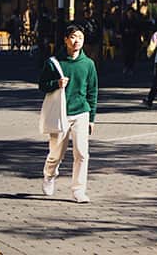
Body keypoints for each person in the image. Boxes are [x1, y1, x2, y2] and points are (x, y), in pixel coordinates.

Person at [38, 24, 99, 203]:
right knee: (56, 153)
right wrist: (56, 83)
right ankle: (49, 175)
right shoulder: (54, 62)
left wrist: (92, 118)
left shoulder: (88, 64)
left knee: (82, 153)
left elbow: (93, 92)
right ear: (65, 40)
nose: (76, 41)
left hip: (81, 112)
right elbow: (42, 85)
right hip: (60, 113)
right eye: (72, 37)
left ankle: (79, 190)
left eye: (79, 37)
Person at [119, 7, 143, 76]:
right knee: (126, 54)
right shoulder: (124, 21)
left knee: (132, 55)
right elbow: (121, 30)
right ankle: (126, 67)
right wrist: (125, 31)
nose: (130, 14)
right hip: (125, 40)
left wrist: (133, 31)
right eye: (129, 12)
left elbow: (138, 30)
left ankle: (131, 68)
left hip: (133, 40)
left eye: (131, 13)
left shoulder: (135, 21)